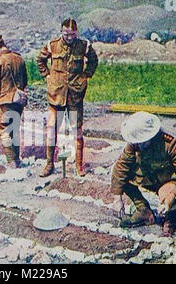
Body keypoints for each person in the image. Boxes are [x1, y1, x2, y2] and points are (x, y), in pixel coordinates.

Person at [111, 111, 176, 236]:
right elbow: (120, 168)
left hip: (169, 183)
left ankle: (171, 217)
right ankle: (144, 211)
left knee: (166, 194)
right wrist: (117, 198)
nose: (138, 145)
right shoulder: (134, 145)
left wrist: (170, 199)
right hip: (148, 179)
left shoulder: (172, 144)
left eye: (142, 142)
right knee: (122, 179)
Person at [36, 18, 98, 177]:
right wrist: (47, 76)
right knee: (51, 129)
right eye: (66, 34)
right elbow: (40, 59)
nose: (69, 37)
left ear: (76, 32)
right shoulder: (52, 45)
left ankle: (79, 165)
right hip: (56, 95)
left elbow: (93, 60)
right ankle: (49, 164)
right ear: (61, 31)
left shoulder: (84, 45)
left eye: (72, 34)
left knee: (77, 131)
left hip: (75, 96)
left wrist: (86, 75)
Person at [0, 34, 28, 168]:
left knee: (4, 131)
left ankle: (11, 161)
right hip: (19, 100)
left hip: (5, 100)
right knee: (14, 130)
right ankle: (17, 159)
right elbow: (25, 80)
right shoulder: (19, 59)